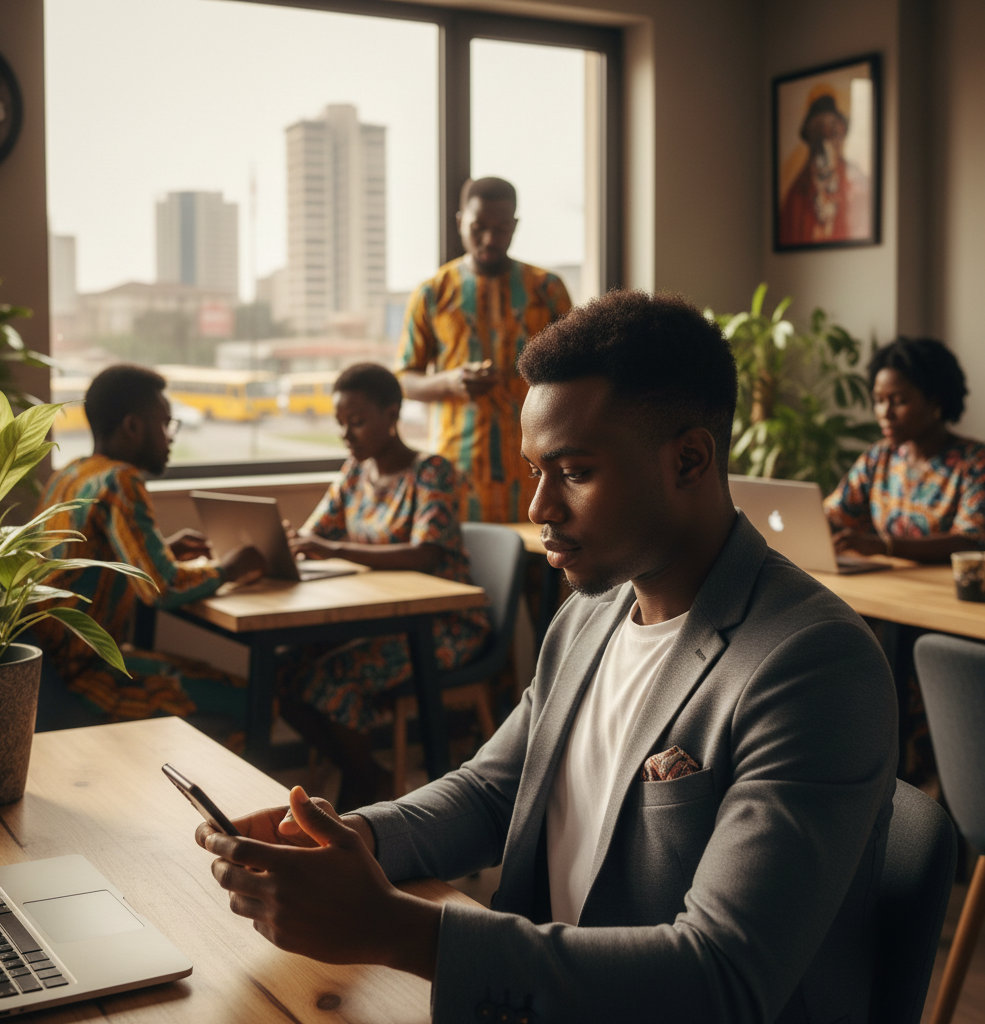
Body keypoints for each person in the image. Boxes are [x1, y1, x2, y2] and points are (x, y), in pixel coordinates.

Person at [196, 292, 898, 1023]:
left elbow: (721, 977)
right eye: (535, 470)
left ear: (690, 459)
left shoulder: (813, 664)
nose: (538, 507)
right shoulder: (588, 614)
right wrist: (348, 839)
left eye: (575, 472)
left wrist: (396, 929)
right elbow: (495, 791)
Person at [279, 362, 490, 809]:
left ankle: (363, 787)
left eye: (356, 421)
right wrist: (280, 546)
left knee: (334, 680)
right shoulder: (355, 473)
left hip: (442, 624)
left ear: (392, 414)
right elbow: (312, 535)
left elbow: (424, 553)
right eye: (340, 424)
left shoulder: (431, 471)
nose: (346, 434)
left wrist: (333, 550)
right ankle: (371, 775)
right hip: (378, 621)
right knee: (283, 671)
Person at [31, 365, 264, 729]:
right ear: (133, 425)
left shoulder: (72, 473)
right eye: (166, 423)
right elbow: (162, 588)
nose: (170, 436)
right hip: (88, 678)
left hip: (49, 675)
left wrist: (162, 549)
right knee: (257, 702)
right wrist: (230, 567)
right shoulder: (121, 480)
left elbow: (91, 560)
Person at [396, 176, 572, 522]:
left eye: (502, 228)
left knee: (540, 569)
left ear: (515, 226)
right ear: (461, 222)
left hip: (539, 466)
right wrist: (449, 383)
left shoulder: (546, 289)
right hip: (458, 468)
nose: (490, 238)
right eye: (479, 227)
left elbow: (579, 372)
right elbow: (404, 379)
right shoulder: (432, 293)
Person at [825, 336, 985, 562]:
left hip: (943, 590)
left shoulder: (975, 463)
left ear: (936, 401)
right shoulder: (879, 457)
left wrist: (884, 546)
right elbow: (835, 515)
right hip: (889, 583)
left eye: (898, 401)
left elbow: (970, 541)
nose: (885, 413)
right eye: (879, 400)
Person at [779, 89, 871, 246]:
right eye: (819, 129)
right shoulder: (796, 195)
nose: (826, 134)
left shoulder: (857, 183)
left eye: (832, 128)